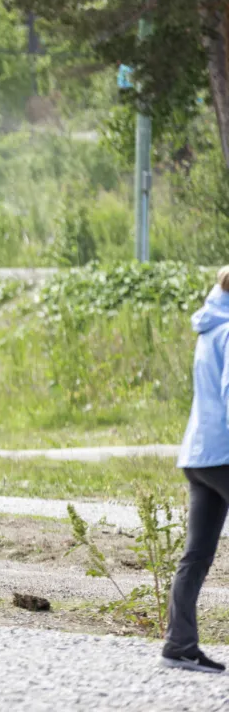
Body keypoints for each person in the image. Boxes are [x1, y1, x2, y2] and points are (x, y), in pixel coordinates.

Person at [160, 267, 229, 673]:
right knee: (197, 554)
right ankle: (178, 643)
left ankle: (179, 644)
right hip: (222, 454)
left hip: (197, 455)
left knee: (197, 554)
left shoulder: (210, 326)